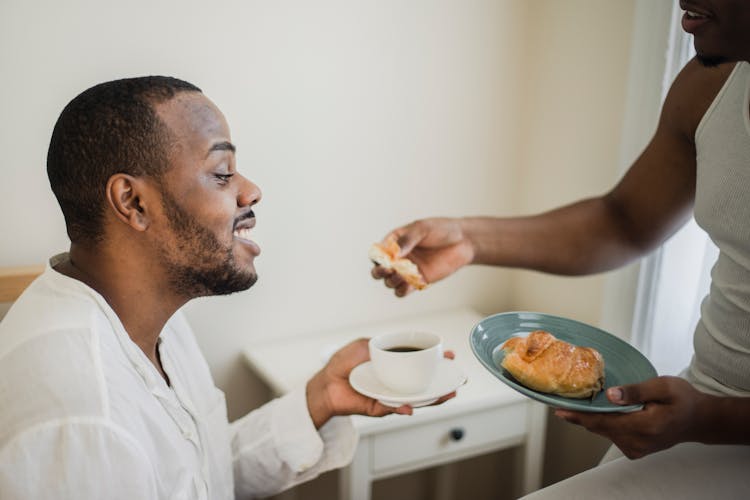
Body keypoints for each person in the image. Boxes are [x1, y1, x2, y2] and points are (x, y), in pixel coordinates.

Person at [0, 77, 453, 499]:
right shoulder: (85, 419)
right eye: (222, 173)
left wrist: (321, 399)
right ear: (133, 202)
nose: (251, 190)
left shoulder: (149, 317)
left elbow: (196, 475)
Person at [372, 0, 750, 497]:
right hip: (700, 411)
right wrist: (468, 238)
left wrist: (713, 420)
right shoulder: (710, 84)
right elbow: (625, 221)